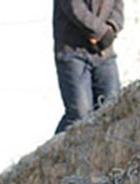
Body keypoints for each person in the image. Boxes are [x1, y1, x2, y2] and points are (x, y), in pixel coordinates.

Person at [53, 0, 124, 134]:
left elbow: (117, 5)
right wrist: (100, 32)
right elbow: (74, 8)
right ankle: (52, 154)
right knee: (80, 115)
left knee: (113, 109)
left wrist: (112, 28)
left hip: (104, 52)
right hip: (73, 51)